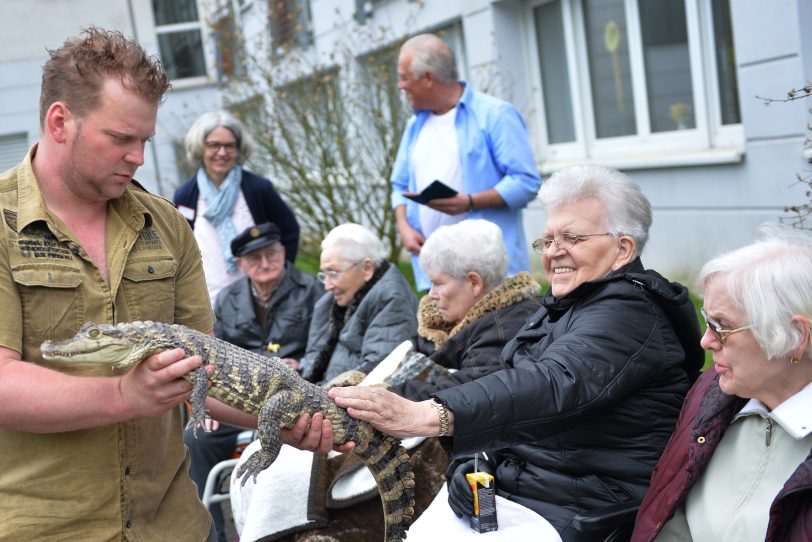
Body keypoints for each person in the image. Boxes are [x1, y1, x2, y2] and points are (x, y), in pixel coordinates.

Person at [0, 27, 335, 541]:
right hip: (45, 527)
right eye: (120, 138)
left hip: (171, 523)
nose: (137, 156)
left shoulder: (167, 225)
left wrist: (285, 422)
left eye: (144, 140)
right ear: (60, 120)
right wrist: (123, 395)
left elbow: (205, 369)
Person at [329, 164, 705, 541]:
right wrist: (471, 463)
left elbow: (552, 384)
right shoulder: (566, 303)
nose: (554, 253)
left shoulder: (630, 311)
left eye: (572, 238)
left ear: (623, 248)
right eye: (548, 241)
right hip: (522, 495)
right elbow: (505, 389)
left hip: (586, 511)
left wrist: (431, 414)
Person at [268, 219, 542, 541]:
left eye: (438, 284)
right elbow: (406, 360)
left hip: (447, 452)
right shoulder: (448, 320)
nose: (431, 295)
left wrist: (384, 395)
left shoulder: (506, 325)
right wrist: (364, 383)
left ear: (474, 282)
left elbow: (470, 388)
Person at [631, 226, 812, 542]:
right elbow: (670, 522)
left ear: (795, 337)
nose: (705, 340)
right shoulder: (712, 394)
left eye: (721, 327)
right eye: (707, 320)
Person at [185, 222, 323, 542]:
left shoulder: (311, 290)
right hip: (242, 394)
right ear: (241, 265)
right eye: (255, 258)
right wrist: (207, 403)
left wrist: (302, 365)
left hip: (295, 392)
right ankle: (214, 532)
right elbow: (215, 355)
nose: (265, 263)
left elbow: (322, 344)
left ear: (284, 252)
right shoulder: (227, 299)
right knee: (197, 439)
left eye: (271, 254)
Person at [391, 33, 542, 291]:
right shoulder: (414, 126)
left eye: (404, 77)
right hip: (436, 277)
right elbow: (399, 185)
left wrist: (470, 202)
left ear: (428, 78)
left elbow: (526, 182)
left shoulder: (495, 115)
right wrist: (404, 227)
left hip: (492, 279)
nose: (400, 86)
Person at [174, 110, 300, 302]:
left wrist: (279, 275)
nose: (222, 153)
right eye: (214, 145)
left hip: (262, 296)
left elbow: (289, 230)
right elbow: (178, 248)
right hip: (209, 299)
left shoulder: (258, 189)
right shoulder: (185, 196)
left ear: (239, 149)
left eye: (229, 146)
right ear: (201, 148)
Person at [292, 223, 418, 385]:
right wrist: (301, 368)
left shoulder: (392, 299)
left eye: (333, 273)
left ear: (367, 268)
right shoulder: (332, 300)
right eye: (324, 274)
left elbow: (375, 373)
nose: (327, 286)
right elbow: (315, 357)